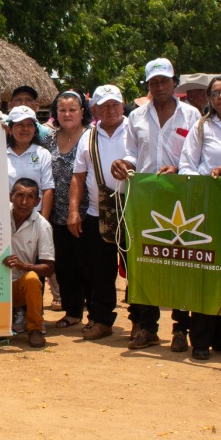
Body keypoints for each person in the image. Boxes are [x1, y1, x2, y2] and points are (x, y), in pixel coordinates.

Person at [117, 58, 202, 349]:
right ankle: (147, 327)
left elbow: (196, 157)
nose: (160, 86)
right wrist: (122, 165)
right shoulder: (137, 117)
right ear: (148, 86)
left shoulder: (191, 115)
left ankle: (181, 329)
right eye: (154, 82)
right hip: (145, 196)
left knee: (181, 262)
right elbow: (131, 154)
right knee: (146, 262)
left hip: (181, 197)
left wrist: (178, 169)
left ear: (174, 82)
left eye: (165, 81)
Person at [177, 75, 221, 359]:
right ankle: (202, 339)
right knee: (206, 272)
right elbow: (186, 165)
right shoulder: (202, 126)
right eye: (214, 93)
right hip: (209, 206)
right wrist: (207, 181)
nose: (220, 97)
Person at [69, 85, 129, 340]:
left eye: (115, 104)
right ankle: (102, 319)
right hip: (97, 212)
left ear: (123, 104)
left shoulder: (134, 129)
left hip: (133, 208)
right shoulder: (88, 136)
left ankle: (142, 321)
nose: (111, 110)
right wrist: (74, 210)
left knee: (136, 268)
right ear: (95, 110)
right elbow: (78, 176)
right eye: (105, 106)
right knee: (100, 269)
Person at [48, 91, 88, 330]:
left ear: (82, 112)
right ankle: (72, 312)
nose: (67, 114)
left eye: (72, 109)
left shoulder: (91, 136)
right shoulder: (49, 138)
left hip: (85, 212)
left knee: (87, 264)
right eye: (62, 110)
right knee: (64, 266)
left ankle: (96, 315)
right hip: (55, 214)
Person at [6, 177, 55, 348]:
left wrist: (23, 265)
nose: (24, 202)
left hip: (17, 286)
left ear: (38, 201)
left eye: (30, 197)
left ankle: (34, 328)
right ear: (10, 196)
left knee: (32, 278)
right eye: (19, 195)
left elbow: (49, 269)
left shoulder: (42, 226)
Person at [6, 105, 55, 220]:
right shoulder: (0, 155)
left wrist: (43, 221)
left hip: (35, 215)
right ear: (10, 130)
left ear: (35, 129)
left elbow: (48, 189)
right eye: (20, 125)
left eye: (29, 125)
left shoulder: (43, 154)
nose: (25, 129)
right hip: (7, 214)